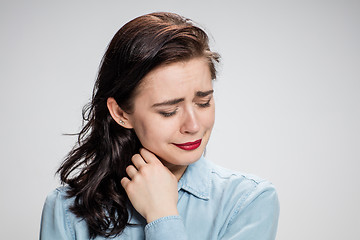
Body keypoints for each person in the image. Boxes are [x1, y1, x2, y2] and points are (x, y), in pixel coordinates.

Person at [40, 12, 279, 240]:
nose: (193, 125)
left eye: (203, 102)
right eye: (169, 111)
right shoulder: (67, 211)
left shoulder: (248, 201)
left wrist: (162, 215)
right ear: (121, 113)